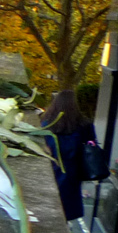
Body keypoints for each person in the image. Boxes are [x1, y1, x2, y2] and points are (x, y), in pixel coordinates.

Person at [43, 89, 98, 222]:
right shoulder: (84, 124)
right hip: (74, 169)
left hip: (53, 167)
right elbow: (92, 146)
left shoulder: (47, 123)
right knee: (67, 205)